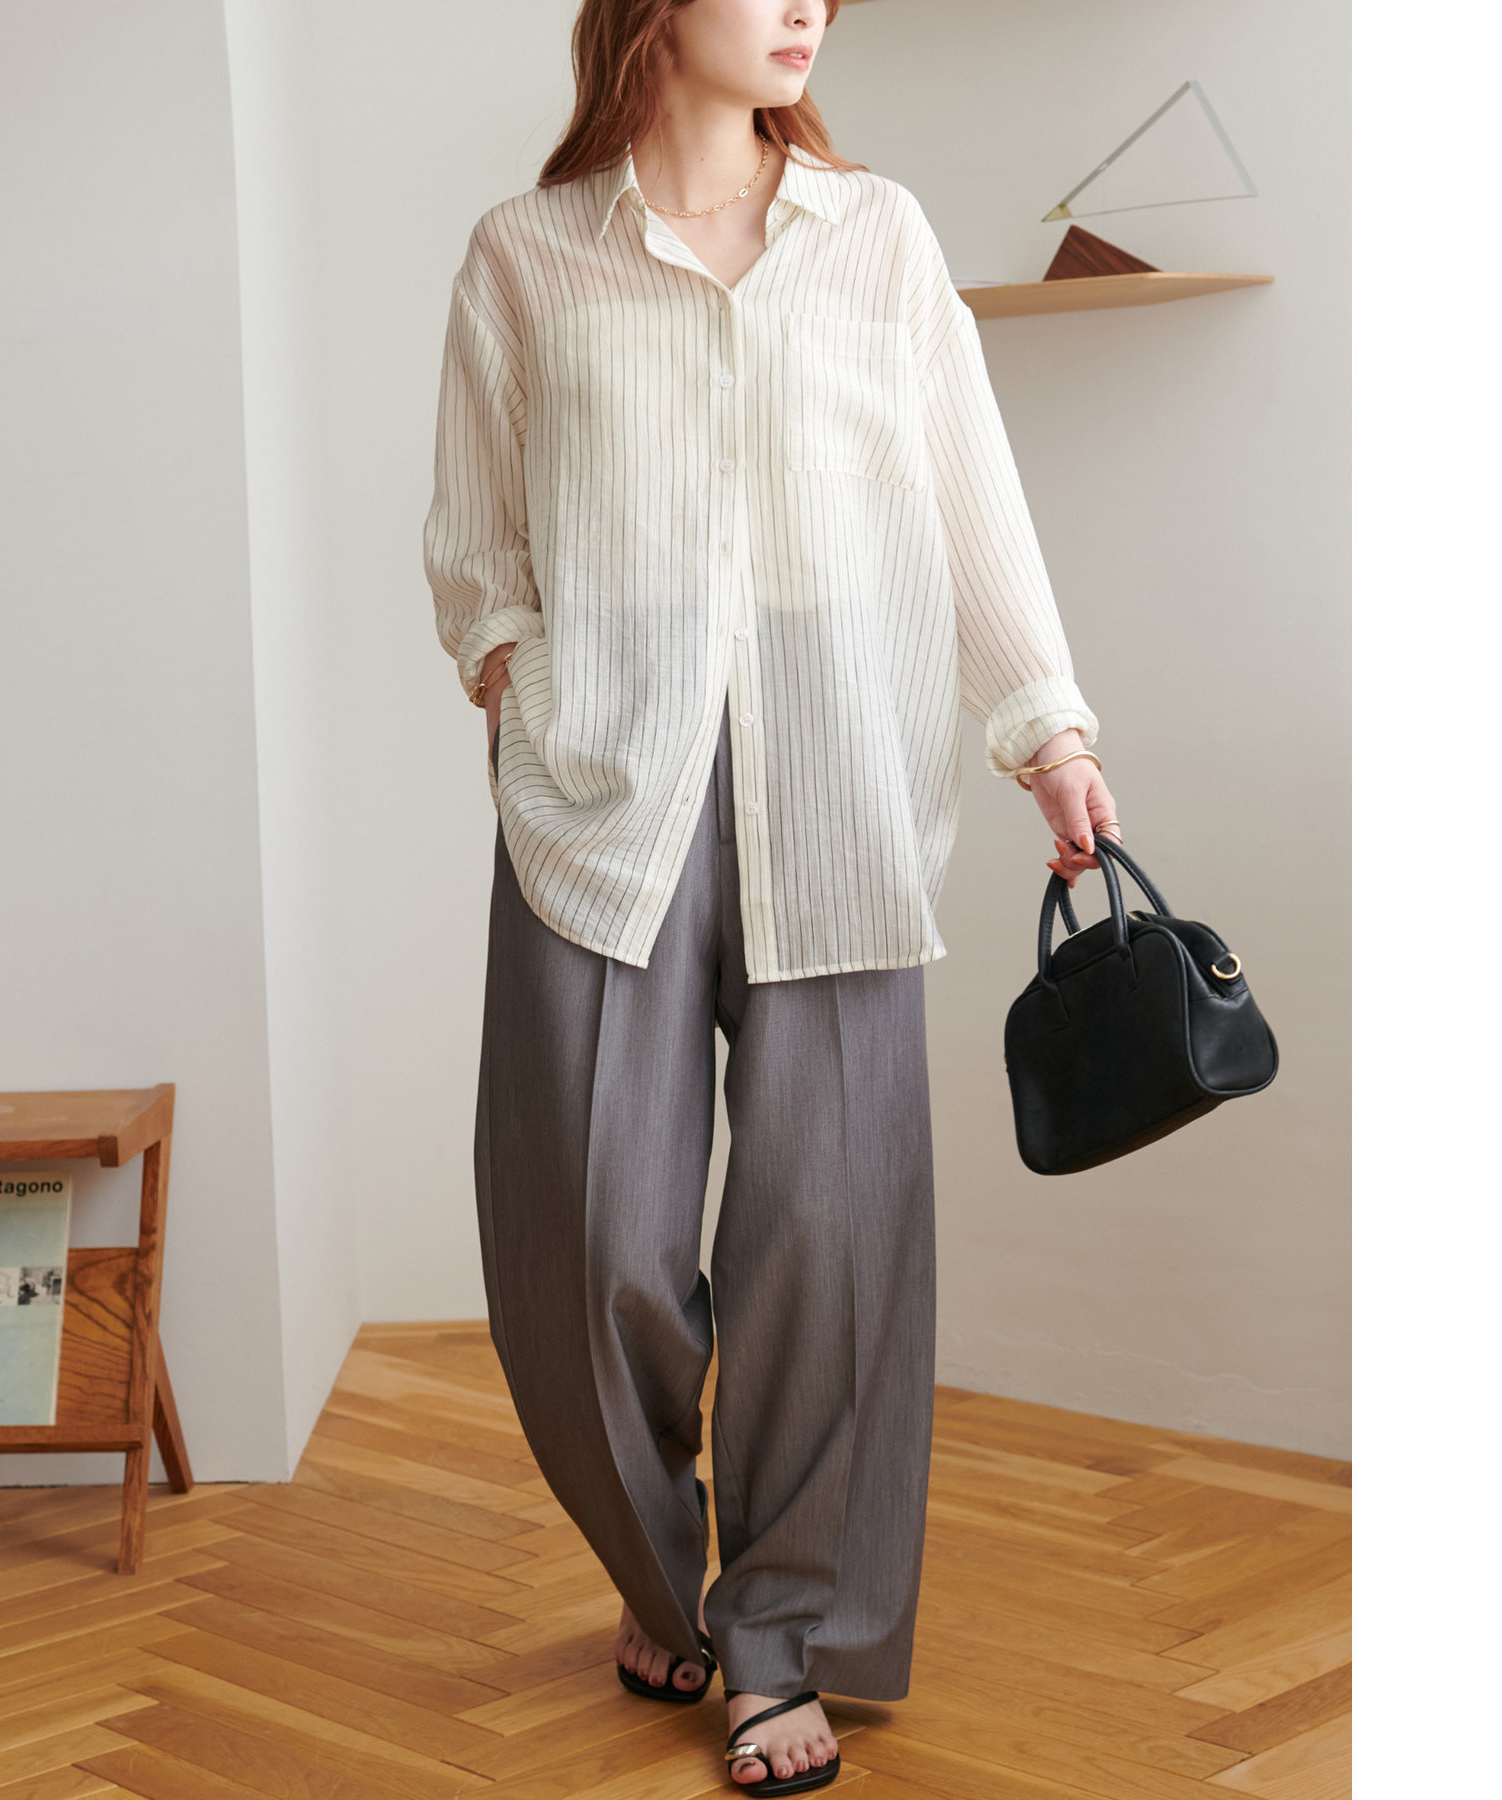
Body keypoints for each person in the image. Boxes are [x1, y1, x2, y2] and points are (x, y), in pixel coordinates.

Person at [423, 3, 1119, 1791]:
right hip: (605, 795)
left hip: (837, 775)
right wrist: (518, 686)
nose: (808, 5)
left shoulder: (876, 237)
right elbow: (479, 548)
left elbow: (970, 497)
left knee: (831, 1233)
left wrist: (1045, 731)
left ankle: (783, 1634)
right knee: (588, 1234)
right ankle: (664, 1578)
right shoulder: (527, 255)